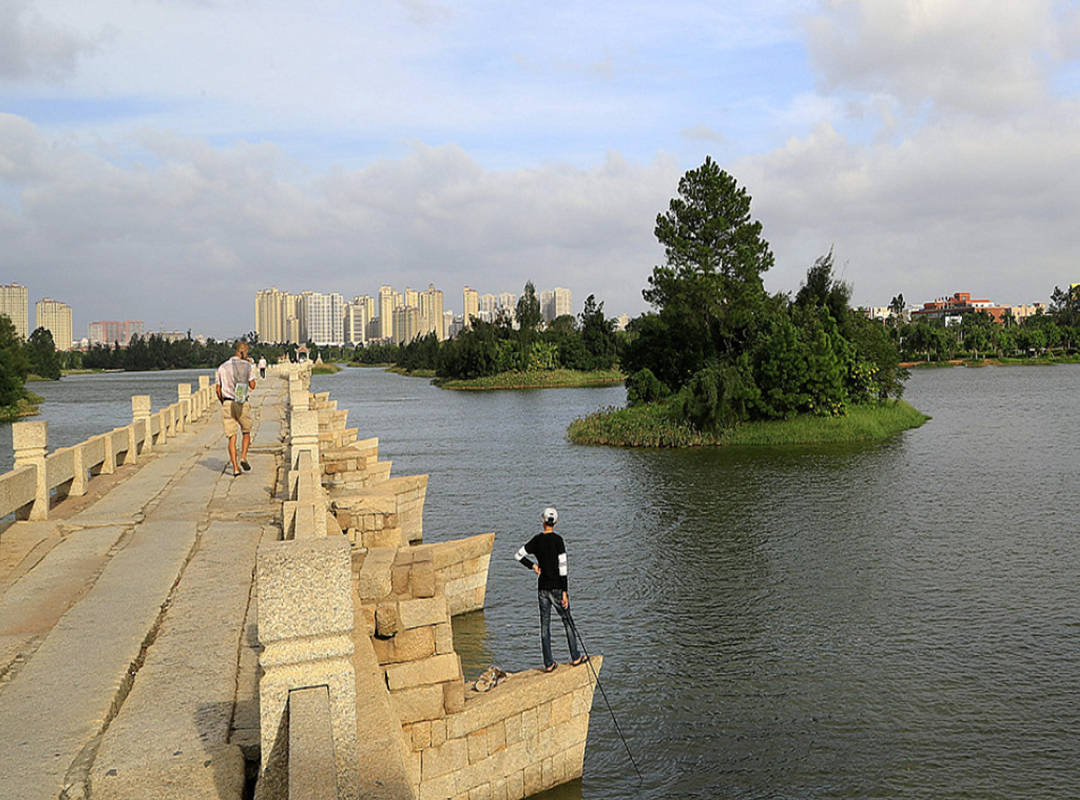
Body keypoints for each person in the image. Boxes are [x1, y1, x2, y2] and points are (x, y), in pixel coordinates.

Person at [515, 506, 586, 672]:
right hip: (557, 587)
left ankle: (548, 664)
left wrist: (533, 566)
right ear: (556, 522)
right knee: (567, 622)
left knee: (545, 626)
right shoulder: (558, 540)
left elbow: (518, 555)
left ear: (543, 521)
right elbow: (563, 568)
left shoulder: (537, 540)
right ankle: (576, 657)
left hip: (542, 588)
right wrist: (565, 592)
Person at [215, 341, 257, 476]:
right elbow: (252, 385)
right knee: (246, 431)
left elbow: (218, 389)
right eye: (247, 352)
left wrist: (223, 402)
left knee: (232, 437)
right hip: (241, 402)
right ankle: (243, 457)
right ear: (242, 352)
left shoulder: (222, 367)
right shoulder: (247, 366)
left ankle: (235, 468)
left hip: (227, 402)